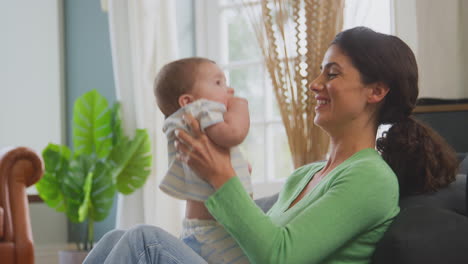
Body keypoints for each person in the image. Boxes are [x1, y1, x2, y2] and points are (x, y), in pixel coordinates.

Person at [83, 27, 458, 264]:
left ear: (375, 91)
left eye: (332, 73)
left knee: (143, 241)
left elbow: (278, 256)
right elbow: (244, 244)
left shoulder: (370, 178)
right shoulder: (306, 176)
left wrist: (220, 176)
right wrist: (200, 181)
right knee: (119, 237)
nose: (314, 84)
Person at [157, 57, 252, 264]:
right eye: (218, 83)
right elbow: (234, 133)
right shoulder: (200, 111)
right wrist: (240, 106)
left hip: (198, 227)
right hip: (216, 231)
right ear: (187, 101)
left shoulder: (186, 123)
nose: (229, 90)